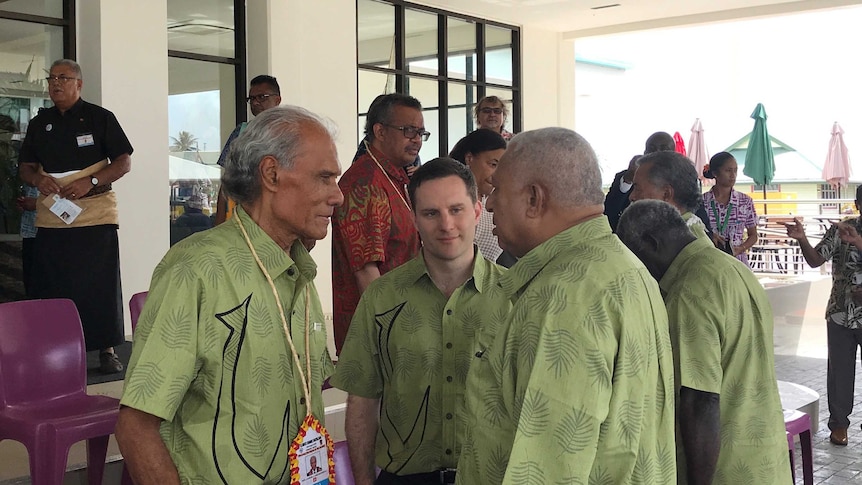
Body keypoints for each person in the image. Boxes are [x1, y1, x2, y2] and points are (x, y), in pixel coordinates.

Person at [115, 105, 343, 484]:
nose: (337, 195)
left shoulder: (298, 269)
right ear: (271, 174)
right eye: (324, 178)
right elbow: (137, 426)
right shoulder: (196, 270)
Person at [456, 128, 676, 484]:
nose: (490, 203)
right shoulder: (624, 268)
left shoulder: (561, 297)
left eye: (497, 189)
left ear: (534, 199)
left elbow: (545, 468)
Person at [332, 158, 509, 485]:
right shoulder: (381, 297)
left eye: (456, 210)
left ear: (477, 211)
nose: (446, 225)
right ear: (413, 219)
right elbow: (362, 401)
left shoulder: (514, 297)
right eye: (431, 213)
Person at [617, 200, 791, 484]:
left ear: (651, 243)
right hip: (766, 458)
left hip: (723, 468)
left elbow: (701, 400)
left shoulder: (690, 291)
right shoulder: (732, 268)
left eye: (637, 258)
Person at [18, 58, 132, 374]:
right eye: (51, 78)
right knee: (52, 284)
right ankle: (52, 350)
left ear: (78, 84)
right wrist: (38, 179)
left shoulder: (99, 118)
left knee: (99, 284)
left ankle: (107, 349)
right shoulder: (39, 124)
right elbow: (26, 167)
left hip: (95, 215)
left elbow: (123, 162)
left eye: (63, 78)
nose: (55, 83)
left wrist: (91, 181)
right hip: (53, 218)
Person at [331, 93, 425, 353]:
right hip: (382, 336)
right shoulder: (366, 182)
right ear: (380, 131)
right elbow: (367, 272)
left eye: (420, 132)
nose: (416, 139)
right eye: (408, 130)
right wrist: (399, 332)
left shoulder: (396, 177)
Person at [784, 185, 862, 446]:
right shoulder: (842, 228)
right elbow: (816, 260)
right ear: (857, 205)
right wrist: (802, 238)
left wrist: (858, 243)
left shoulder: (853, 234)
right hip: (841, 312)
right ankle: (839, 425)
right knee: (839, 372)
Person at [604, 131, 712, 234]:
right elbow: (609, 214)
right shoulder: (628, 176)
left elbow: (700, 221)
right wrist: (629, 179)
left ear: (673, 153)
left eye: (664, 149)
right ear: (645, 153)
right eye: (652, 149)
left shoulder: (685, 179)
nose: (657, 153)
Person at [214, 74, 282, 224]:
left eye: (262, 97)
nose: (256, 102)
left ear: (277, 100)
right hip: (243, 213)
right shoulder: (241, 132)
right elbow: (227, 179)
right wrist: (218, 222)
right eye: (252, 99)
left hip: (278, 212)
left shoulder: (289, 133)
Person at [448, 128, 510, 265]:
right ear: (469, 159)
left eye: (501, 167)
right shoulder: (446, 200)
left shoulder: (494, 203)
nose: (497, 174)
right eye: (493, 164)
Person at [629, 150, 711, 241]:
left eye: (638, 189)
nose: (632, 197)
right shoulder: (662, 238)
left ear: (666, 194)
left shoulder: (677, 247)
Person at [702, 151, 758, 266]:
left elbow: (753, 235)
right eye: (728, 170)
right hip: (710, 262)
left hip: (737, 262)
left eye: (735, 170)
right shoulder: (702, 202)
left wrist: (740, 248)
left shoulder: (745, 201)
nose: (733, 175)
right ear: (715, 173)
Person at [16, 185, 39, 298]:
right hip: (30, 231)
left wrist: (39, 204)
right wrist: (22, 202)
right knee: (31, 285)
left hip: (57, 233)